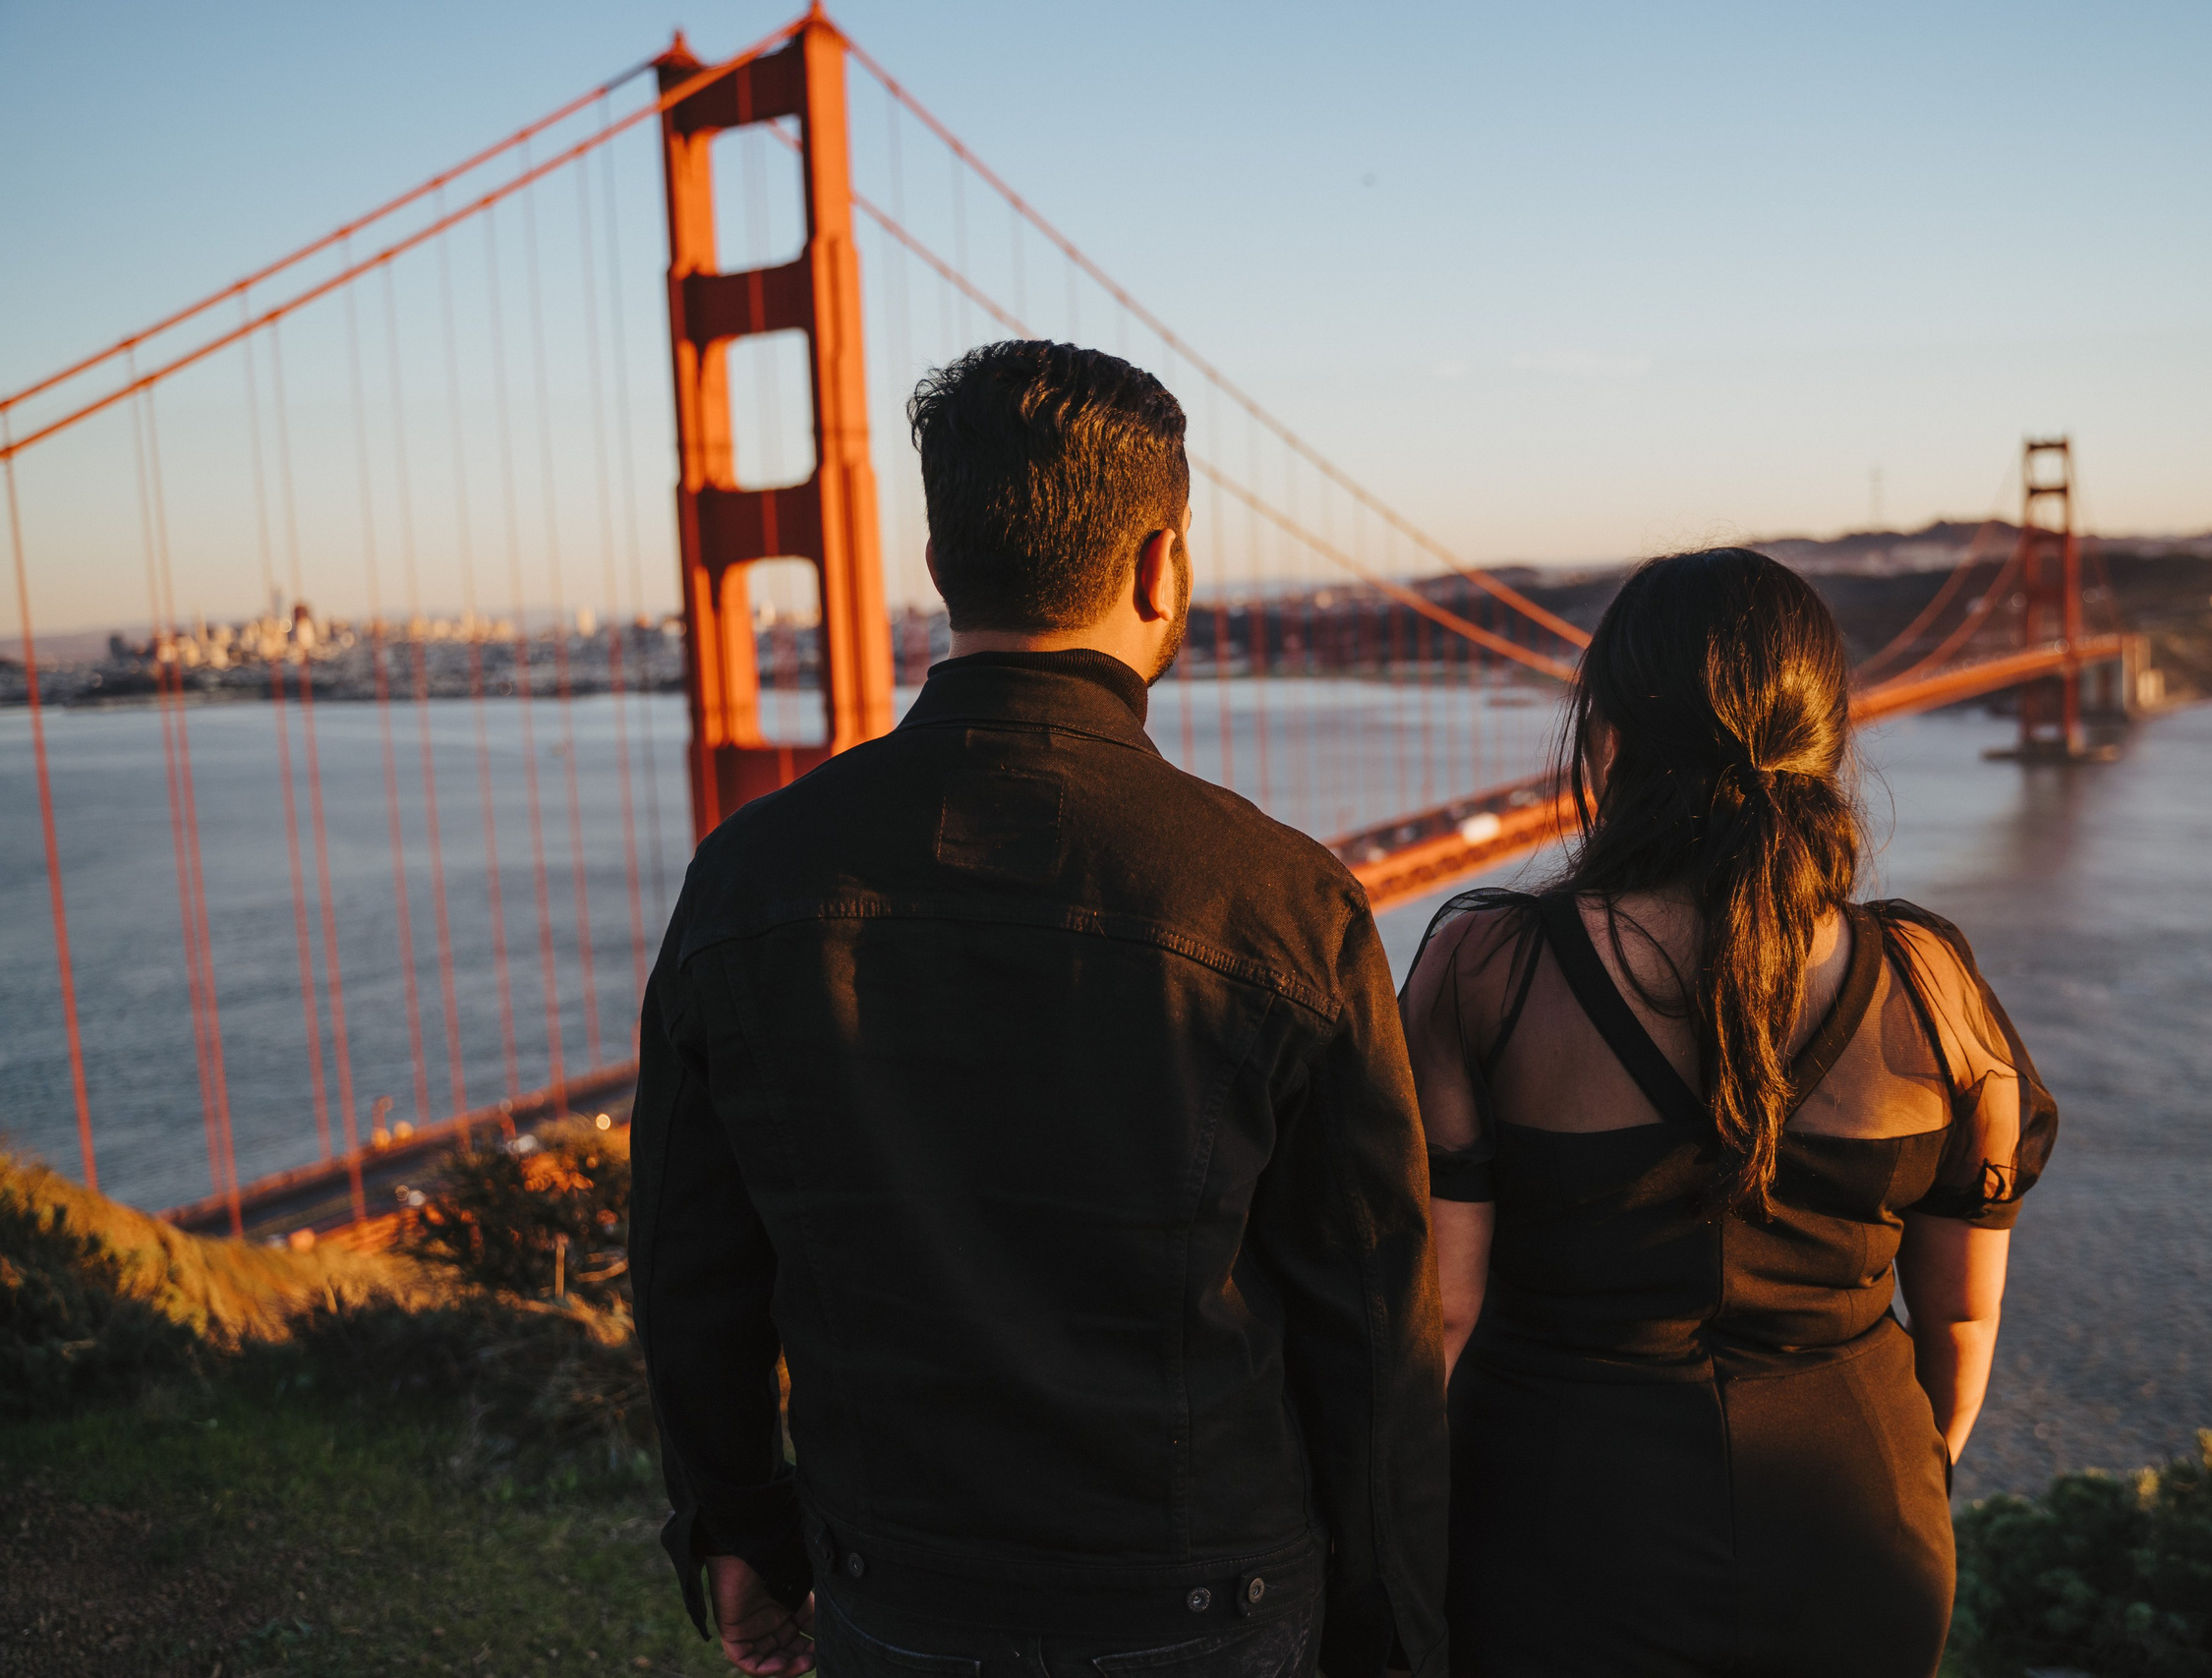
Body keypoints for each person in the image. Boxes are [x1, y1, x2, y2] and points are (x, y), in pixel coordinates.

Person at [629, 340, 1449, 1678]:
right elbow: (1374, 1325)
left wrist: (739, 1527)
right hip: (1211, 1602)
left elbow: (687, 1265)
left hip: (895, 1591)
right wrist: (1392, 1628)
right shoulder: (1285, 903)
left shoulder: (749, 877)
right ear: (1160, 565)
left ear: (943, 560)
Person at [1401, 549, 2059, 1678]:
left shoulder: (1486, 971)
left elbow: (1439, 1324)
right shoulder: (1932, 987)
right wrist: (1905, 1480)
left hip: (1553, 1525)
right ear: (1825, 736)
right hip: (1860, 1523)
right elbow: (1958, 1326)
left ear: (1606, 735)